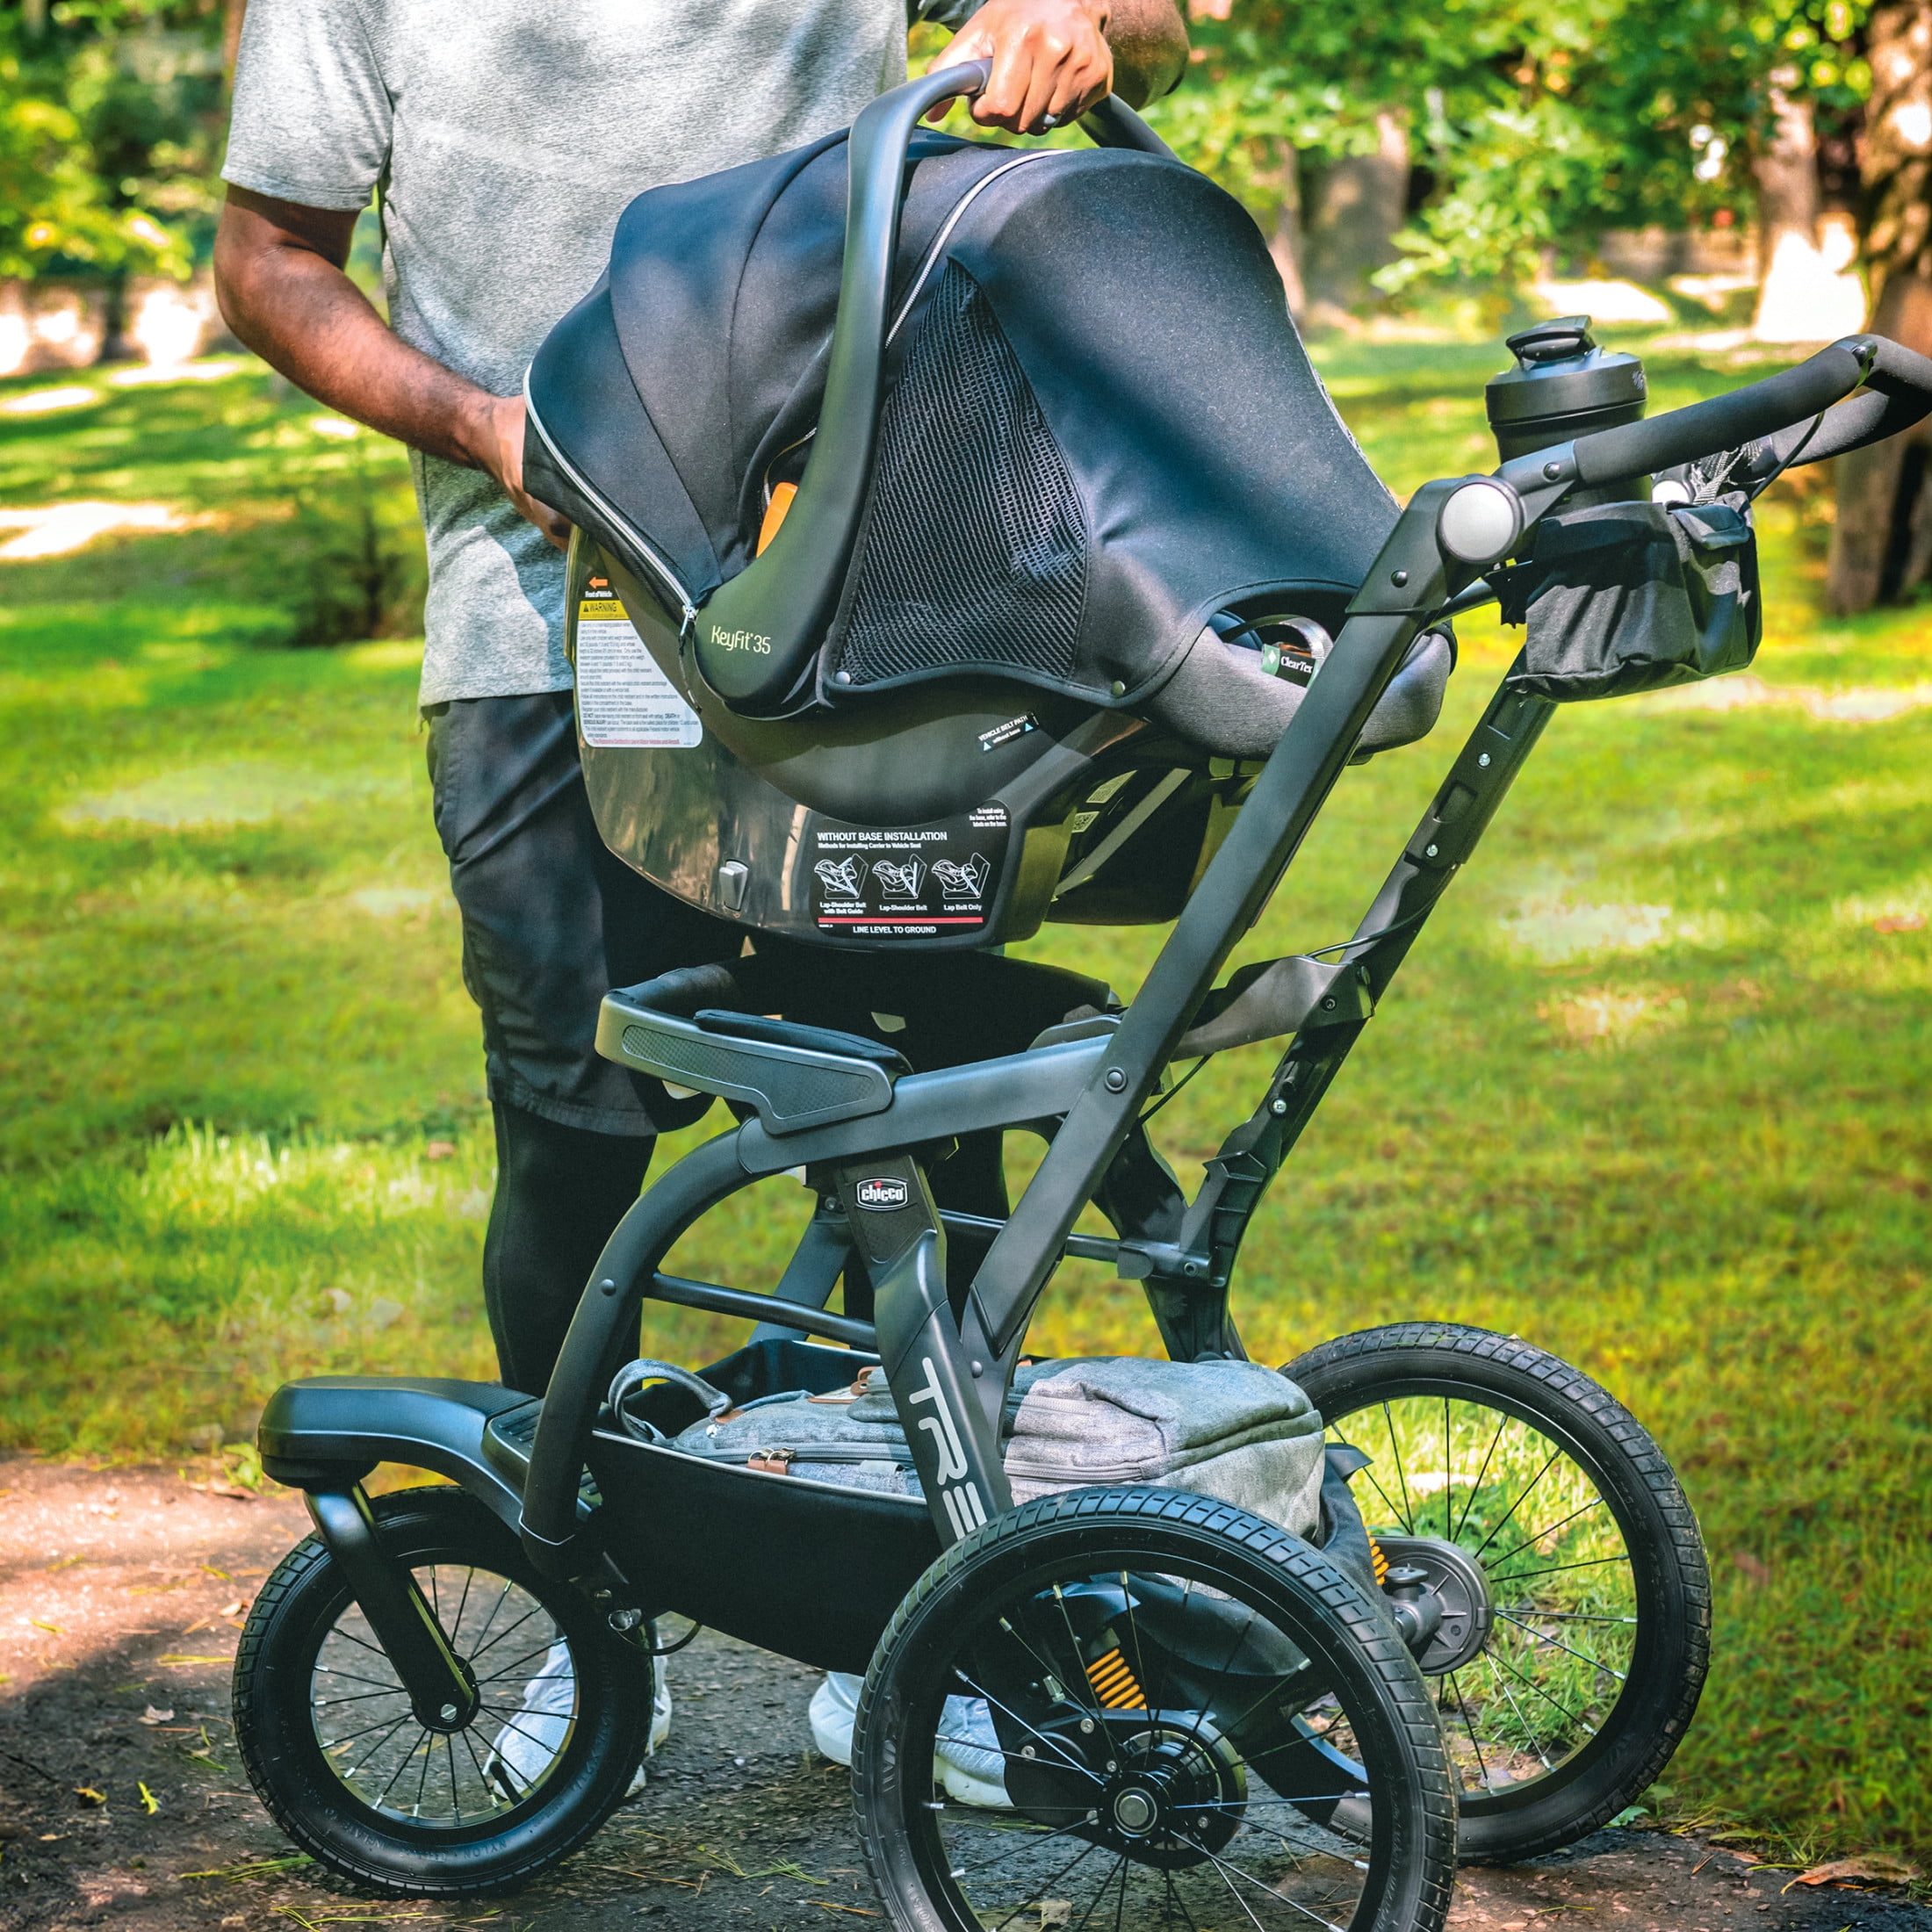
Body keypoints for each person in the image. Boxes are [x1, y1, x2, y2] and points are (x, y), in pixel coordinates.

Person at [214, 0, 1188, 1799]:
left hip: (860, 610)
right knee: (574, 1123)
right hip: (539, 629)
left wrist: (1085, 15)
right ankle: (586, 1617)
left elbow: (1153, 28)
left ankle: (921, 1630)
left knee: (921, 1108)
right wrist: (489, 429)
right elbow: (266, 260)